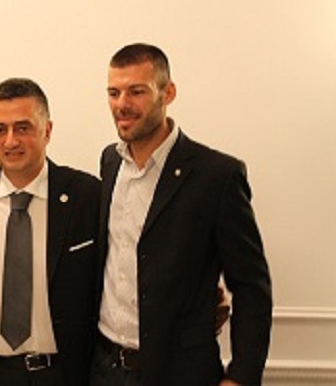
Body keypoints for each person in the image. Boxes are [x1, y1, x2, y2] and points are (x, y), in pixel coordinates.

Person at [92, 43, 273, 385]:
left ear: (168, 92)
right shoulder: (110, 162)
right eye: (113, 93)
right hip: (104, 368)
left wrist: (241, 376)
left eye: (137, 92)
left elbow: (251, 288)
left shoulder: (217, 176)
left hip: (180, 371)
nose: (122, 105)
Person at [0, 78, 101, 386]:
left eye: (22, 128)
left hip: (61, 374)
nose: (10, 142)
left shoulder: (88, 196)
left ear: (47, 130)